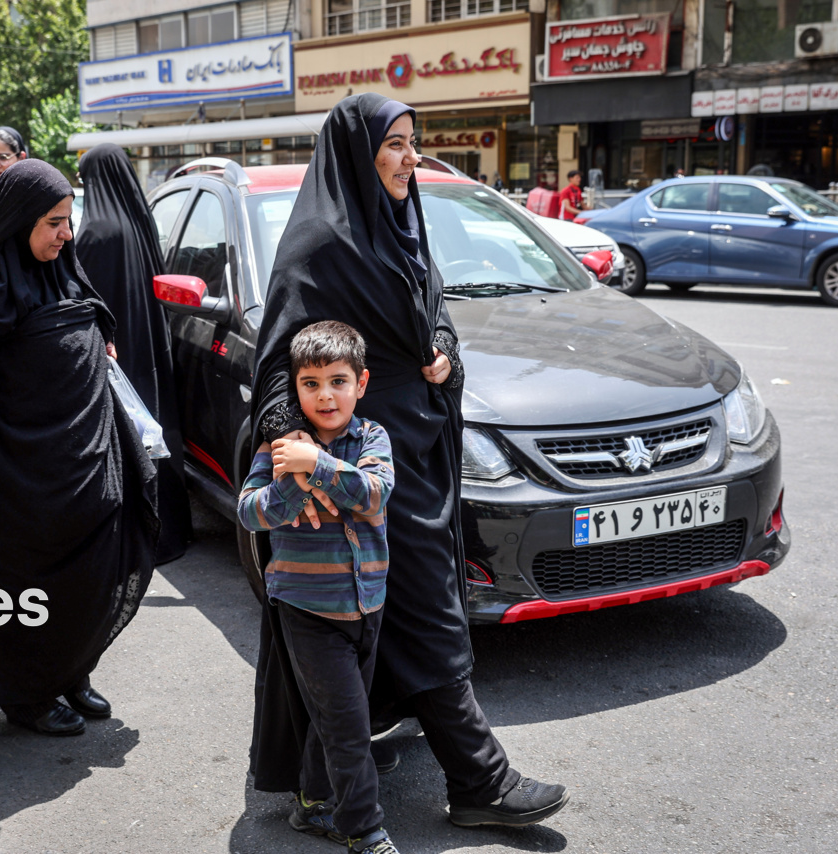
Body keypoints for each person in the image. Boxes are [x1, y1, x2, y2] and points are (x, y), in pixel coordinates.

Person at [248, 93, 568, 831]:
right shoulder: (322, 245)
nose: (408, 158)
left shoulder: (404, 227)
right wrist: (286, 445)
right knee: (427, 615)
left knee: (391, 615)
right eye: (392, 145)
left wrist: (442, 356)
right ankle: (478, 780)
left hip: (417, 453)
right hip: (360, 468)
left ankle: (331, 773)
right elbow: (278, 360)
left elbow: (435, 314)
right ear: (359, 155)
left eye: (413, 143)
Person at [0, 159, 159, 735]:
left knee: (90, 571)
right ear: (20, 220)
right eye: (54, 222)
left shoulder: (62, 270)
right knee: (26, 583)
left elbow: (92, 315)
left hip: (83, 462)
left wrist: (98, 339)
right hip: (18, 473)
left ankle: (70, 671)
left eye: (68, 219)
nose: (66, 233)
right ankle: (27, 695)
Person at [238, 321, 398, 854]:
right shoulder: (277, 450)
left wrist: (319, 466)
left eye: (338, 381)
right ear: (296, 388)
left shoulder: (373, 438)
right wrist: (295, 480)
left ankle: (312, 802)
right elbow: (250, 511)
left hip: (367, 603)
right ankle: (364, 829)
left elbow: (374, 495)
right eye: (311, 384)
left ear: (362, 382)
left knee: (336, 717)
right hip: (306, 609)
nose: (326, 395)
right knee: (350, 730)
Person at [75, 143, 191, 563]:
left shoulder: (94, 232)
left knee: (124, 439)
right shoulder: (138, 223)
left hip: (115, 357)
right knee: (154, 433)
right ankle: (167, 527)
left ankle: (132, 535)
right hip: (149, 349)